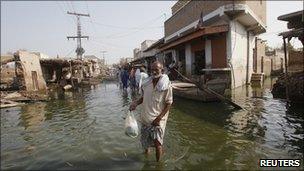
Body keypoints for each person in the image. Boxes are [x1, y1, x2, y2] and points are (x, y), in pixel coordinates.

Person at [129, 61, 173, 162]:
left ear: (162, 70)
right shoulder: (147, 83)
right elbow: (143, 98)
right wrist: (135, 103)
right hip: (145, 118)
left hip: (158, 120)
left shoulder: (167, 86)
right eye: (152, 70)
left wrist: (159, 118)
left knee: (158, 144)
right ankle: (146, 160)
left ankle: (158, 165)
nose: (154, 72)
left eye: (156, 69)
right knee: (145, 143)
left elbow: (169, 104)